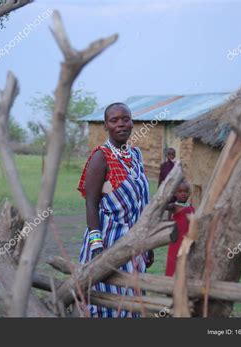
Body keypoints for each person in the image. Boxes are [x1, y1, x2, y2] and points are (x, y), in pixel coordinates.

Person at [77, 102, 154, 318]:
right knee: (107, 305)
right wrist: (97, 245)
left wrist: (147, 243)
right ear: (106, 126)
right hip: (108, 243)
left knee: (132, 304)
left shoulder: (136, 155)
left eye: (125, 119)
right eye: (114, 120)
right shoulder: (101, 157)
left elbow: (141, 202)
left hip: (135, 243)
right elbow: (91, 202)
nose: (121, 124)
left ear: (132, 123)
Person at [165, 180, 195, 277]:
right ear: (175, 193)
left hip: (187, 241)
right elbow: (164, 207)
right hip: (176, 241)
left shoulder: (191, 207)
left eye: (185, 192)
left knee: (184, 264)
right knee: (173, 263)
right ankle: (169, 286)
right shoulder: (174, 206)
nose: (183, 194)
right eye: (180, 191)